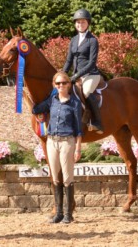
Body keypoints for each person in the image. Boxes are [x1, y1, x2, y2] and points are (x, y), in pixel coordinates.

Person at [32, 71, 83, 224]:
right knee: (55, 178)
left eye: (64, 83)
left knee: (67, 178)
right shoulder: (52, 100)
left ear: (69, 84)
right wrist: (26, 95)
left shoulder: (74, 103)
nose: (61, 86)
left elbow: (78, 128)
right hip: (51, 141)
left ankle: (69, 214)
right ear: (54, 85)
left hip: (67, 141)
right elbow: (36, 109)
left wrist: (78, 147)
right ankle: (58, 213)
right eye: (58, 83)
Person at [62, 8, 104, 133]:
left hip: (91, 74)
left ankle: (97, 122)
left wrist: (75, 76)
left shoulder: (92, 40)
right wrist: (62, 75)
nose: (80, 25)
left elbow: (92, 63)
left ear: (88, 24)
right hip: (77, 75)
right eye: (78, 22)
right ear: (75, 24)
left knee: (86, 92)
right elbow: (69, 60)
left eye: (83, 22)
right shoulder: (73, 40)